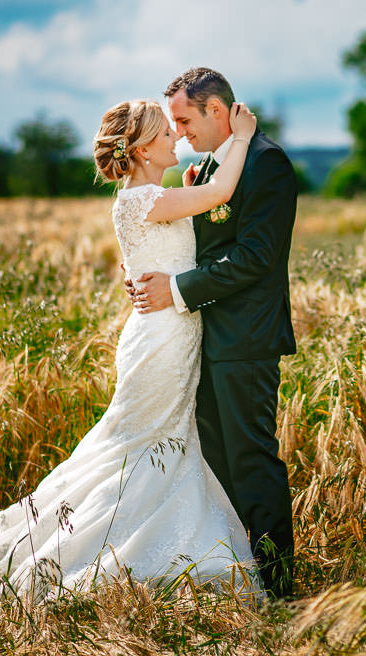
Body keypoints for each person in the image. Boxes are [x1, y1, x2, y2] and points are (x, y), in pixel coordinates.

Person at [0, 98, 261, 602]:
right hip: (161, 341)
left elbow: (158, 248)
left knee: (156, 440)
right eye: (165, 133)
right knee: (141, 443)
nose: (176, 137)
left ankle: (145, 542)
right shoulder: (145, 199)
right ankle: (89, 552)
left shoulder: (146, 196)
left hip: (168, 332)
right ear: (143, 149)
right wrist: (242, 137)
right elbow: (222, 192)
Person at [127, 67, 297, 599]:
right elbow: (187, 245)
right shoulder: (201, 170)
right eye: (172, 124)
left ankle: (279, 585)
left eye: (184, 120)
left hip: (245, 339)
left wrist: (176, 289)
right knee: (213, 461)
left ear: (216, 110)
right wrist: (146, 275)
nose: (179, 133)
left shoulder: (265, 163)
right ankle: (237, 573)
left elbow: (255, 257)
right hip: (193, 338)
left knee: (250, 457)